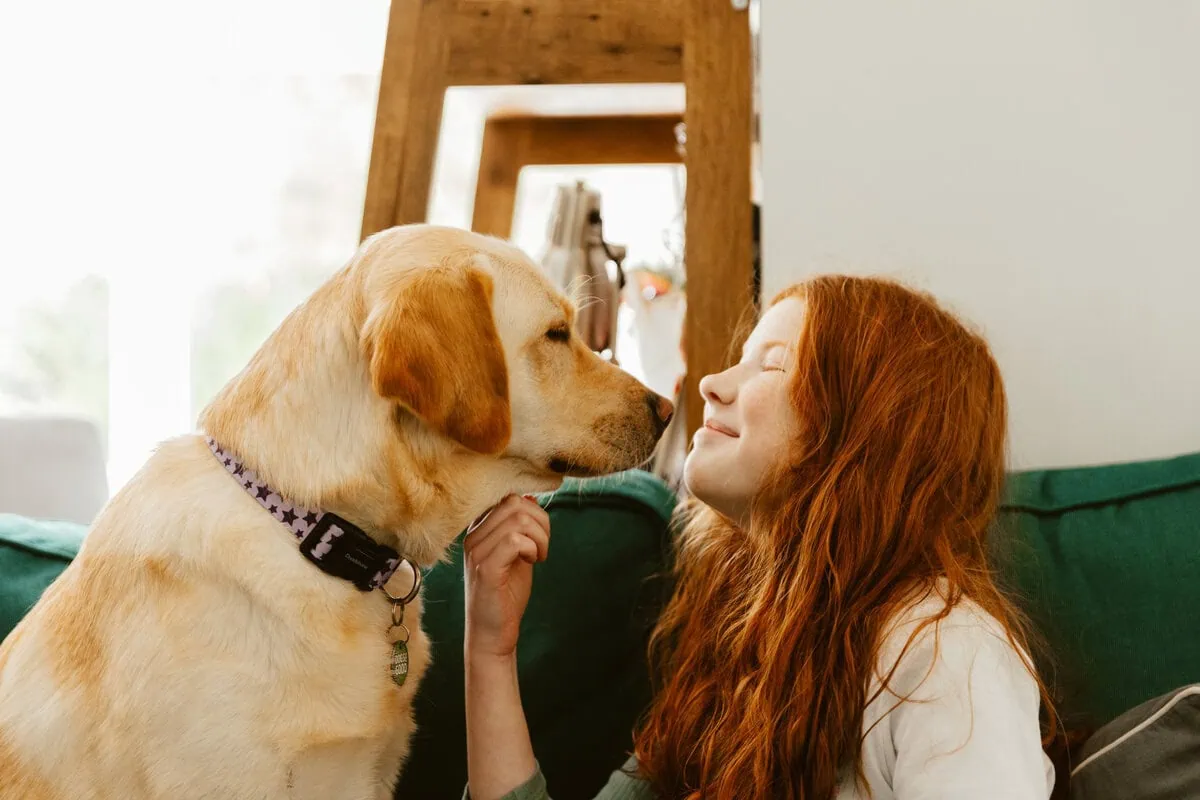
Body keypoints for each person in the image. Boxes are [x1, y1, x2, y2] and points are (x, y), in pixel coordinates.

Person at [462, 276, 1057, 800]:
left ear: (870, 433)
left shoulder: (947, 650)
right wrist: (490, 649)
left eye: (770, 364)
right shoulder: (739, 637)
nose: (712, 384)